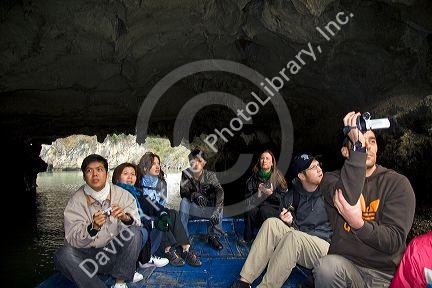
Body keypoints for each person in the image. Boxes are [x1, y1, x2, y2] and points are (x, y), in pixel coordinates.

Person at [313, 111, 416, 288]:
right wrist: (357, 148)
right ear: (346, 151)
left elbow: (394, 240)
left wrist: (359, 225)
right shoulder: (330, 179)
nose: (367, 146)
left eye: (372, 141)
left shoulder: (397, 183)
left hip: (384, 275)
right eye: (360, 141)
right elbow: (348, 197)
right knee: (326, 267)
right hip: (347, 265)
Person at [231, 154, 331, 288]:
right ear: (301, 176)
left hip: (326, 247)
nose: (319, 169)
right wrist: (288, 222)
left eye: (318, 165)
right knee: (271, 223)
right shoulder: (292, 196)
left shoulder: (330, 191)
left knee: (294, 237)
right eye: (313, 167)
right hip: (300, 239)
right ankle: (244, 281)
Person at [53, 154, 144, 288]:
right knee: (62, 255)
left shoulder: (124, 195)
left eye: (99, 170)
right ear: (84, 177)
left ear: (107, 174)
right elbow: (72, 239)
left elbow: (137, 224)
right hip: (89, 259)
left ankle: (120, 282)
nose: (95, 174)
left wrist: (125, 218)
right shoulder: (75, 201)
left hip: (115, 256)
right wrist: (92, 228)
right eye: (89, 171)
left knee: (135, 232)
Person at [138, 152, 202, 267]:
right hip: (145, 215)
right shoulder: (138, 182)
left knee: (172, 213)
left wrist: (162, 211)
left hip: (158, 210)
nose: (157, 166)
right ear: (145, 166)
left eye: (158, 163)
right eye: (153, 164)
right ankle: (168, 250)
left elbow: (162, 203)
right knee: (162, 216)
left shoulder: (161, 183)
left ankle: (185, 249)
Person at [111, 163, 169, 268]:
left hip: (136, 224)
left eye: (133, 174)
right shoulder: (115, 194)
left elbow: (152, 205)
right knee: (145, 228)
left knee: (159, 219)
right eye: (125, 174)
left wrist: (163, 213)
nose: (130, 177)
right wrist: (152, 223)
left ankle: (146, 257)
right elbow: (131, 219)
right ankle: (135, 261)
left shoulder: (136, 192)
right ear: (117, 178)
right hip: (120, 232)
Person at [179, 148, 225, 250]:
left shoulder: (210, 175)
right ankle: (184, 238)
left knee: (219, 203)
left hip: (207, 209)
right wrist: (194, 194)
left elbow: (220, 191)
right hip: (194, 209)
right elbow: (183, 192)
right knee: (184, 202)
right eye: (194, 161)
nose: (196, 164)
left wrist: (216, 210)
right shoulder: (186, 174)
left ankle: (214, 237)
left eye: (199, 161)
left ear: (204, 163)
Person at [242, 150, 288, 243]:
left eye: (267, 158)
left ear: (272, 163)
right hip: (258, 206)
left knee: (264, 210)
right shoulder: (253, 178)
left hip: (273, 208)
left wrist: (271, 194)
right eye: (262, 158)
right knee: (250, 210)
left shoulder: (278, 177)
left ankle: (266, 240)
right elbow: (247, 199)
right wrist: (258, 193)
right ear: (259, 161)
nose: (264, 160)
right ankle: (248, 238)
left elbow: (285, 198)